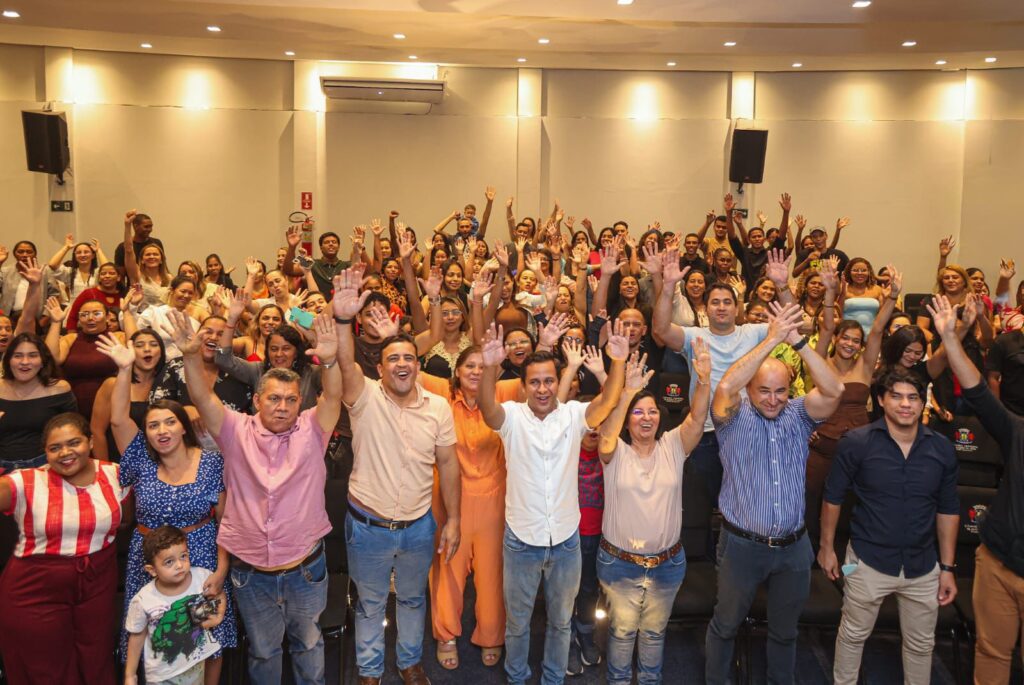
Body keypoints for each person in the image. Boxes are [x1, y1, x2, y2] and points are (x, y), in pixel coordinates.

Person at [172, 306, 342, 685]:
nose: (283, 407)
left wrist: (330, 363)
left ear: (300, 402)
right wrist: (190, 356)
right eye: (274, 399)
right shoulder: (235, 430)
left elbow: (333, 397)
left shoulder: (313, 429)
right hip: (251, 573)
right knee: (263, 652)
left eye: (291, 400)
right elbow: (202, 397)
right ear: (257, 401)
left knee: (308, 646)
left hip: (304, 569)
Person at [477, 318, 629, 685]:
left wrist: (619, 361)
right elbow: (486, 407)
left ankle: (552, 679)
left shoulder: (574, 415)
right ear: (524, 385)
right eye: (535, 382)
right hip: (521, 541)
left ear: (557, 381)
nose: (543, 388)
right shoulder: (512, 417)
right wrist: (489, 366)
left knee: (561, 622)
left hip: (565, 541)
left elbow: (609, 401)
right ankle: (516, 677)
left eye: (549, 381)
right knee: (518, 622)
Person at [331, 263, 460, 685]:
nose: (402, 364)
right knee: (369, 603)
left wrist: (454, 519)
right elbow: (345, 363)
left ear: (418, 364)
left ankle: (409, 663)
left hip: (418, 526)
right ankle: (369, 672)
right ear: (380, 367)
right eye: (393, 359)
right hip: (368, 526)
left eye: (408, 358)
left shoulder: (438, 407)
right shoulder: (364, 396)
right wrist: (344, 320)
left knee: (412, 599)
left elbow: (448, 464)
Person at [703, 302, 844, 685]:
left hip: (793, 548)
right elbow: (726, 386)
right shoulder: (732, 418)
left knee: (785, 633)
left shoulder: (799, 414)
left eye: (780, 391)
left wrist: (797, 342)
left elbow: (835, 389)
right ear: (750, 390)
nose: (772, 398)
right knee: (726, 625)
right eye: (763, 390)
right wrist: (770, 340)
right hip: (742, 546)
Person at [97, 332, 237, 683]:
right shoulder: (141, 460)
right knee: (155, 638)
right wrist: (125, 369)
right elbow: (117, 420)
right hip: (149, 563)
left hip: (201, 559)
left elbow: (226, 521)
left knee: (206, 638)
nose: (162, 430)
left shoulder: (211, 462)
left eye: (170, 422)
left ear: (184, 427)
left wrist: (221, 570)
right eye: (153, 425)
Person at [818, 365, 959, 684]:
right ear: (881, 400)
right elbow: (832, 497)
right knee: (853, 636)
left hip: (923, 566)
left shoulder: (942, 449)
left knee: (921, 646)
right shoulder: (856, 443)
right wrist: (827, 548)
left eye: (913, 397)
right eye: (896, 396)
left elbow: (949, 509)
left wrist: (947, 567)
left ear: (923, 403)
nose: (905, 404)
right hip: (866, 561)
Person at [595, 340, 712, 684]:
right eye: (638, 412)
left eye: (652, 411)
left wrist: (704, 380)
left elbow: (698, 418)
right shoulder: (615, 451)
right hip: (619, 564)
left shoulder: (672, 445)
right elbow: (606, 435)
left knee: (654, 632)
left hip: (667, 565)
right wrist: (627, 393)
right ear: (627, 419)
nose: (646, 418)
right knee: (622, 631)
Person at [927, 294, 1024, 681]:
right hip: (998, 562)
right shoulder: (1018, 432)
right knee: (990, 652)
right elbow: (979, 395)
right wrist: (951, 338)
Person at [0, 412, 130, 684]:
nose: (65, 453)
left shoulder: (115, 474)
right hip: (35, 590)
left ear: (90, 441)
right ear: (45, 453)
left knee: (96, 659)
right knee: (45, 665)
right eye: (54, 447)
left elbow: (127, 519)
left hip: (98, 583)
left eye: (74, 443)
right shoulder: (25, 481)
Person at [418, 345, 522, 671]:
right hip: (450, 501)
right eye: (469, 366)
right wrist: (395, 337)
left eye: (482, 366)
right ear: (457, 371)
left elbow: (535, 380)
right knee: (447, 568)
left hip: (493, 500)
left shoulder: (503, 394)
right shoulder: (442, 397)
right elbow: (411, 372)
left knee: (492, 572)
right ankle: (446, 634)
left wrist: (544, 345)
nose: (476, 372)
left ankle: (491, 634)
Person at [652, 249, 769, 504]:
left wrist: (781, 285)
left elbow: (791, 325)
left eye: (727, 302)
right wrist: (668, 286)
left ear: (737, 307)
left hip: (744, 433)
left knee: (743, 503)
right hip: (704, 433)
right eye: (715, 302)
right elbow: (660, 330)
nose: (721, 307)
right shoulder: (694, 336)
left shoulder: (754, 332)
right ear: (706, 308)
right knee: (701, 506)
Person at [805, 263, 902, 545]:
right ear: (836, 339)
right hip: (821, 446)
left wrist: (893, 296)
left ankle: (845, 554)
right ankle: (810, 554)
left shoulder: (865, 366)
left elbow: (877, 330)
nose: (850, 344)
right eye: (845, 338)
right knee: (811, 501)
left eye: (855, 341)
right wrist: (830, 292)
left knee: (853, 504)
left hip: (858, 449)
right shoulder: (821, 362)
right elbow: (826, 326)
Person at [124, 525, 227, 685]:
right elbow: (137, 635)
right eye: (169, 562)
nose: (179, 565)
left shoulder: (201, 579)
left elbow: (219, 593)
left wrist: (217, 615)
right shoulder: (144, 599)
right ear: (152, 570)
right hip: (162, 676)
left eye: (183, 556)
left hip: (196, 668)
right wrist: (130, 675)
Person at [0, 332, 77, 472]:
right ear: (8, 360)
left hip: (46, 466)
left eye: (33, 355)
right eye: (17, 356)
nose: (25, 361)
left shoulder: (59, 389)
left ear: (43, 361)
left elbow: (73, 433)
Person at [90, 328, 165, 460]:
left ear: (161, 352)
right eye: (139, 345)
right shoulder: (112, 384)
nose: (147, 349)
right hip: (119, 459)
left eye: (153, 345)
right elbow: (97, 431)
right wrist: (105, 468)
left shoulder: (167, 383)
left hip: (161, 460)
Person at [45, 296, 123, 419]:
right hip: (72, 406)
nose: (90, 318)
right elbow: (53, 359)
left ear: (107, 316)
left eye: (96, 313)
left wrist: (128, 312)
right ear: (79, 318)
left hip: (110, 406)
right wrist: (56, 322)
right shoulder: (71, 338)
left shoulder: (118, 337)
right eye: (84, 314)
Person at [282, 224, 352, 295]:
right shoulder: (311, 263)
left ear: (338, 247)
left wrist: (358, 250)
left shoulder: (346, 265)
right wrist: (292, 247)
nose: (331, 244)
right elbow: (289, 270)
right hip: (315, 301)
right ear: (321, 248)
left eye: (334, 242)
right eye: (326, 242)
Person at [115, 210, 162, 281]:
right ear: (136, 226)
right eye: (146, 227)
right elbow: (121, 275)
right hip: (136, 282)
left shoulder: (156, 243)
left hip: (157, 282)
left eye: (151, 226)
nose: (149, 229)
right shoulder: (122, 247)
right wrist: (127, 224)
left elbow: (162, 266)